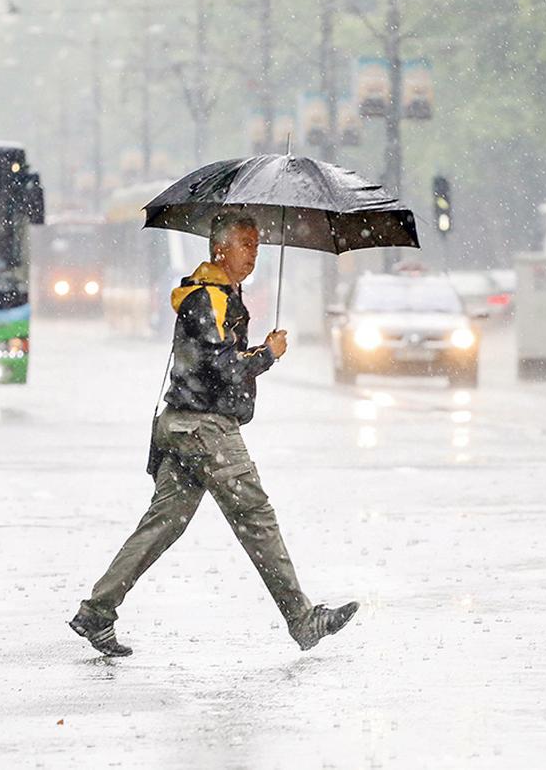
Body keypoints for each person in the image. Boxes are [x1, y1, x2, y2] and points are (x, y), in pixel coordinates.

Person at [70, 211, 358, 656]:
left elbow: (217, 359)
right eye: (247, 245)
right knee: (256, 518)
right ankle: (302, 620)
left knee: (162, 524)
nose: (254, 254)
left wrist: (255, 349)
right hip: (206, 429)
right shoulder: (209, 299)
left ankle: (96, 612)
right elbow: (224, 370)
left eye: (258, 246)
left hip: (184, 425)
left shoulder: (218, 296)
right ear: (220, 248)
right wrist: (269, 354)